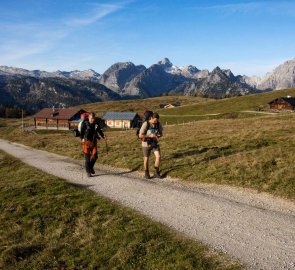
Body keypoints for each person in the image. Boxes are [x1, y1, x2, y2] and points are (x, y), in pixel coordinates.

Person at [80, 112, 107, 177]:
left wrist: (103, 137)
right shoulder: (85, 123)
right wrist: (82, 139)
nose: (93, 119)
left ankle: (91, 167)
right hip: (86, 142)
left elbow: (99, 131)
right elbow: (81, 132)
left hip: (94, 142)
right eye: (92, 118)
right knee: (87, 158)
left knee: (95, 157)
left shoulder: (96, 124)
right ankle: (88, 172)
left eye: (94, 118)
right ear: (89, 117)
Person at [139, 112, 163, 179]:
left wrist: (158, 135)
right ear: (151, 118)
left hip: (154, 143)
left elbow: (161, 134)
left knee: (158, 156)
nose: (156, 122)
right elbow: (140, 135)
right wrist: (149, 135)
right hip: (146, 144)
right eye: (155, 120)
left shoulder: (158, 124)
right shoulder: (146, 124)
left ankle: (156, 172)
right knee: (146, 158)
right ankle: (146, 173)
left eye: (157, 120)